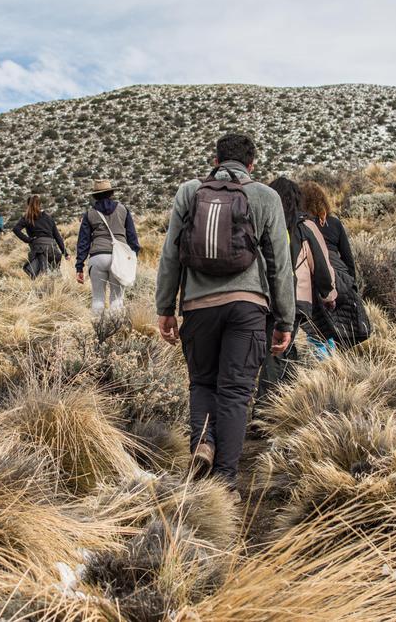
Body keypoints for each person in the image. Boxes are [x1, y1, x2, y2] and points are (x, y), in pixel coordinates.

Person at [155, 133, 295, 493]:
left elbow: (170, 255)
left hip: (198, 307)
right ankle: (225, 482)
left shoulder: (190, 192)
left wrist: (165, 308)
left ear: (215, 159)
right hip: (247, 308)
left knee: (202, 383)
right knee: (234, 392)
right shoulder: (266, 196)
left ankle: (203, 441)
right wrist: (285, 320)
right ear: (251, 165)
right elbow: (280, 264)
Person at [267, 178, 337, 365]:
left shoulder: (264, 223)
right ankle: (275, 390)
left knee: (271, 346)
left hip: (265, 296)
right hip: (298, 298)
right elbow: (322, 265)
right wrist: (328, 294)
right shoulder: (305, 226)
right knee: (280, 351)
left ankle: (276, 386)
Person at [300, 179, 367, 352]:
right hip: (339, 277)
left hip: (313, 278)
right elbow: (348, 257)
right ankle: (337, 359)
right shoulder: (334, 223)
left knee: (317, 324)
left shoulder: (301, 226)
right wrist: (352, 283)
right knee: (340, 323)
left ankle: (323, 360)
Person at [75, 179, 141, 315]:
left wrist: (79, 266)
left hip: (97, 257)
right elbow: (132, 237)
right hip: (120, 257)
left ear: (95, 195)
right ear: (111, 192)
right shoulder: (123, 209)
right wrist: (133, 257)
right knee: (117, 299)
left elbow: (83, 241)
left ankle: (98, 331)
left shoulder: (89, 214)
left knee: (98, 298)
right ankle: (115, 331)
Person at [13, 195, 68, 276]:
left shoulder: (27, 217)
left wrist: (28, 240)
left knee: (41, 275)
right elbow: (57, 237)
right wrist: (65, 253)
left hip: (39, 249)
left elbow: (16, 229)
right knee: (55, 273)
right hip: (53, 249)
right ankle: (61, 288)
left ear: (28, 205)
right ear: (40, 204)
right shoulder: (48, 218)